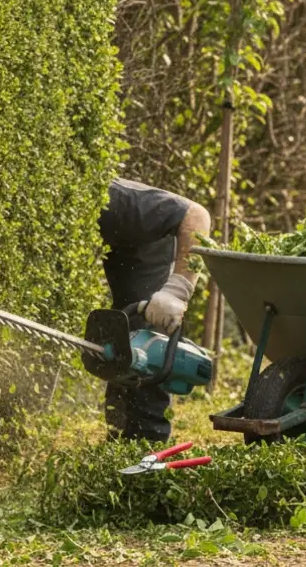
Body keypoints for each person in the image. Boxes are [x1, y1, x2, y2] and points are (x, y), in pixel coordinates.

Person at [98, 178, 211, 442]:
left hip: (145, 246)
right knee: (120, 339)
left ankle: (146, 442)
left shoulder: (121, 201)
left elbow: (197, 215)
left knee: (143, 337)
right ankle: (117, 440)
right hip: (114, 241)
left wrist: (178, 290)